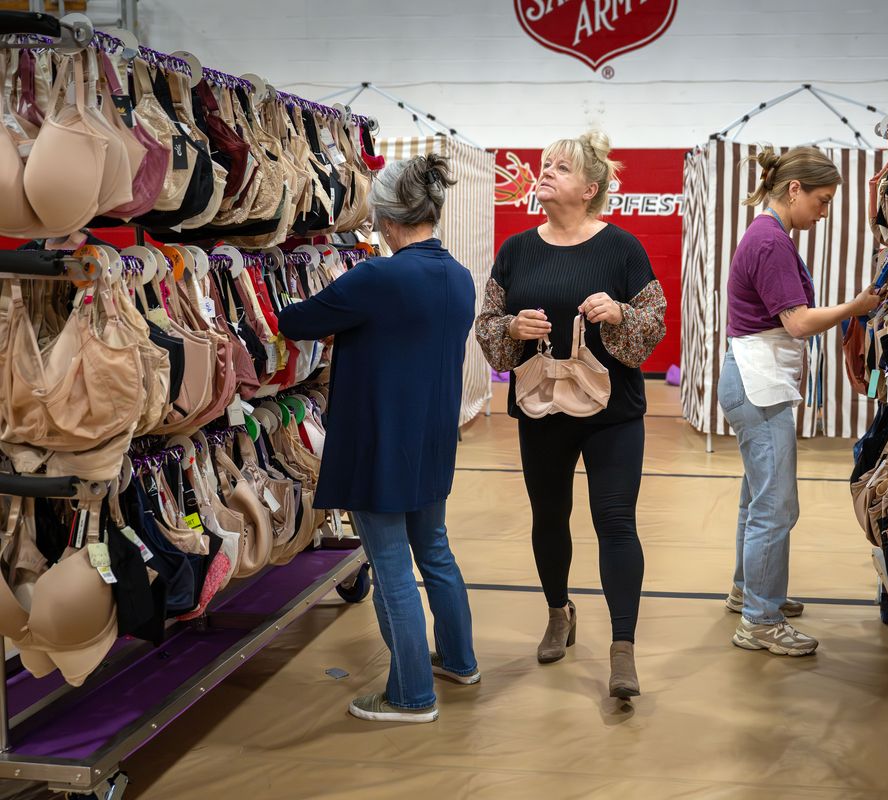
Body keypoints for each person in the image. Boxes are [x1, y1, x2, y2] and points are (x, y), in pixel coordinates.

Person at [278, 154, 478, 723]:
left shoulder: (377, 277)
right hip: (432, 440)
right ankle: (459, 660)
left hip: (379, 443)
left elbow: (296, 322)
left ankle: (411, 694)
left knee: (391, 565)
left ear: (386, 219)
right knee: (434, 552)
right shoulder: (458, 276)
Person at [475, 131, 666, 699]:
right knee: (549, 518)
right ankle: (560, 612)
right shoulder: (515, 250)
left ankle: (623, 649)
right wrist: (510, 328)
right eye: (544, 165)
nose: (545, 173)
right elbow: (487, 323)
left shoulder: (623, 248)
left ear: (590, 188)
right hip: (542, 411)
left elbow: (652, 327)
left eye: (560, 167)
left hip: (614, 412)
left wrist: (620, 312)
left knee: (616, 522)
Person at [719, 146, 881, 657]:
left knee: (758, 498)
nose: (825, 211)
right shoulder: (770, 241)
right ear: (794, 190)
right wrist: (857, 306)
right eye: (822, 200)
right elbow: (798, 322)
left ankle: (750, 591)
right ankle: (760, 620)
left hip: (753, 378)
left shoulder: (770, 235)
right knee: (776, 505)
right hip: (758, 383)